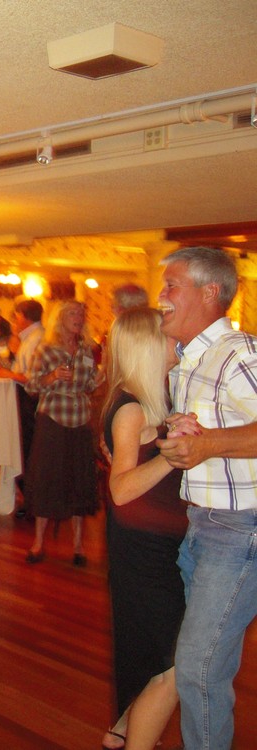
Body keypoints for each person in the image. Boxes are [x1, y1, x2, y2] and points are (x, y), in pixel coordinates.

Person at [152, 246, 257, 750]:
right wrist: (182, 430)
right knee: (202, 665)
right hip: (204, 527)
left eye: (171, 285)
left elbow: (214, 441)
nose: (161, 296)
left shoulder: (239, 354)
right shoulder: (189, 360)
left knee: (198, 668)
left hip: (238, 529)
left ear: (210, 292)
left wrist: (207, 443)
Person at [100, 307, 187, 750]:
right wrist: (172, 454)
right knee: (173, 662)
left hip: (156, 545)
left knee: (156, 651)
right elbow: (120, 489)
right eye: (169, 335)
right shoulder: (130, 409)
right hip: (143, 550)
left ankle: (121, 732)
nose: (178, 341)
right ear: (148, 346)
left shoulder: (148, 401)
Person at [23, 300, 101, 565]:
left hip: (80, 420)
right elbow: (31, 386)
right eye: (73, 313)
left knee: (79, 481)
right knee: (48, 480)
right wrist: (53, 376)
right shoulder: (47, 350)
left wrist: (99, 378)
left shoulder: (86, 350)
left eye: (81, 313)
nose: (79, 317)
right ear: (60, 318)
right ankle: (38, 543)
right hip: (53, 419)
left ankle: (78, 546)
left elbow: (89, 385)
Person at [0, 299, 44, 518]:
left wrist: (7, 374)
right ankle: (29, 498)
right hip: (26, 397)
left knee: (26, 448)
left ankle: (32, 500)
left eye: (16, 316)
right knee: (24, 447)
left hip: (29, 399)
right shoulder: (28, 338)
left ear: (24, 316)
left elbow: (31, 377)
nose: (14, 320)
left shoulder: (35, 339)